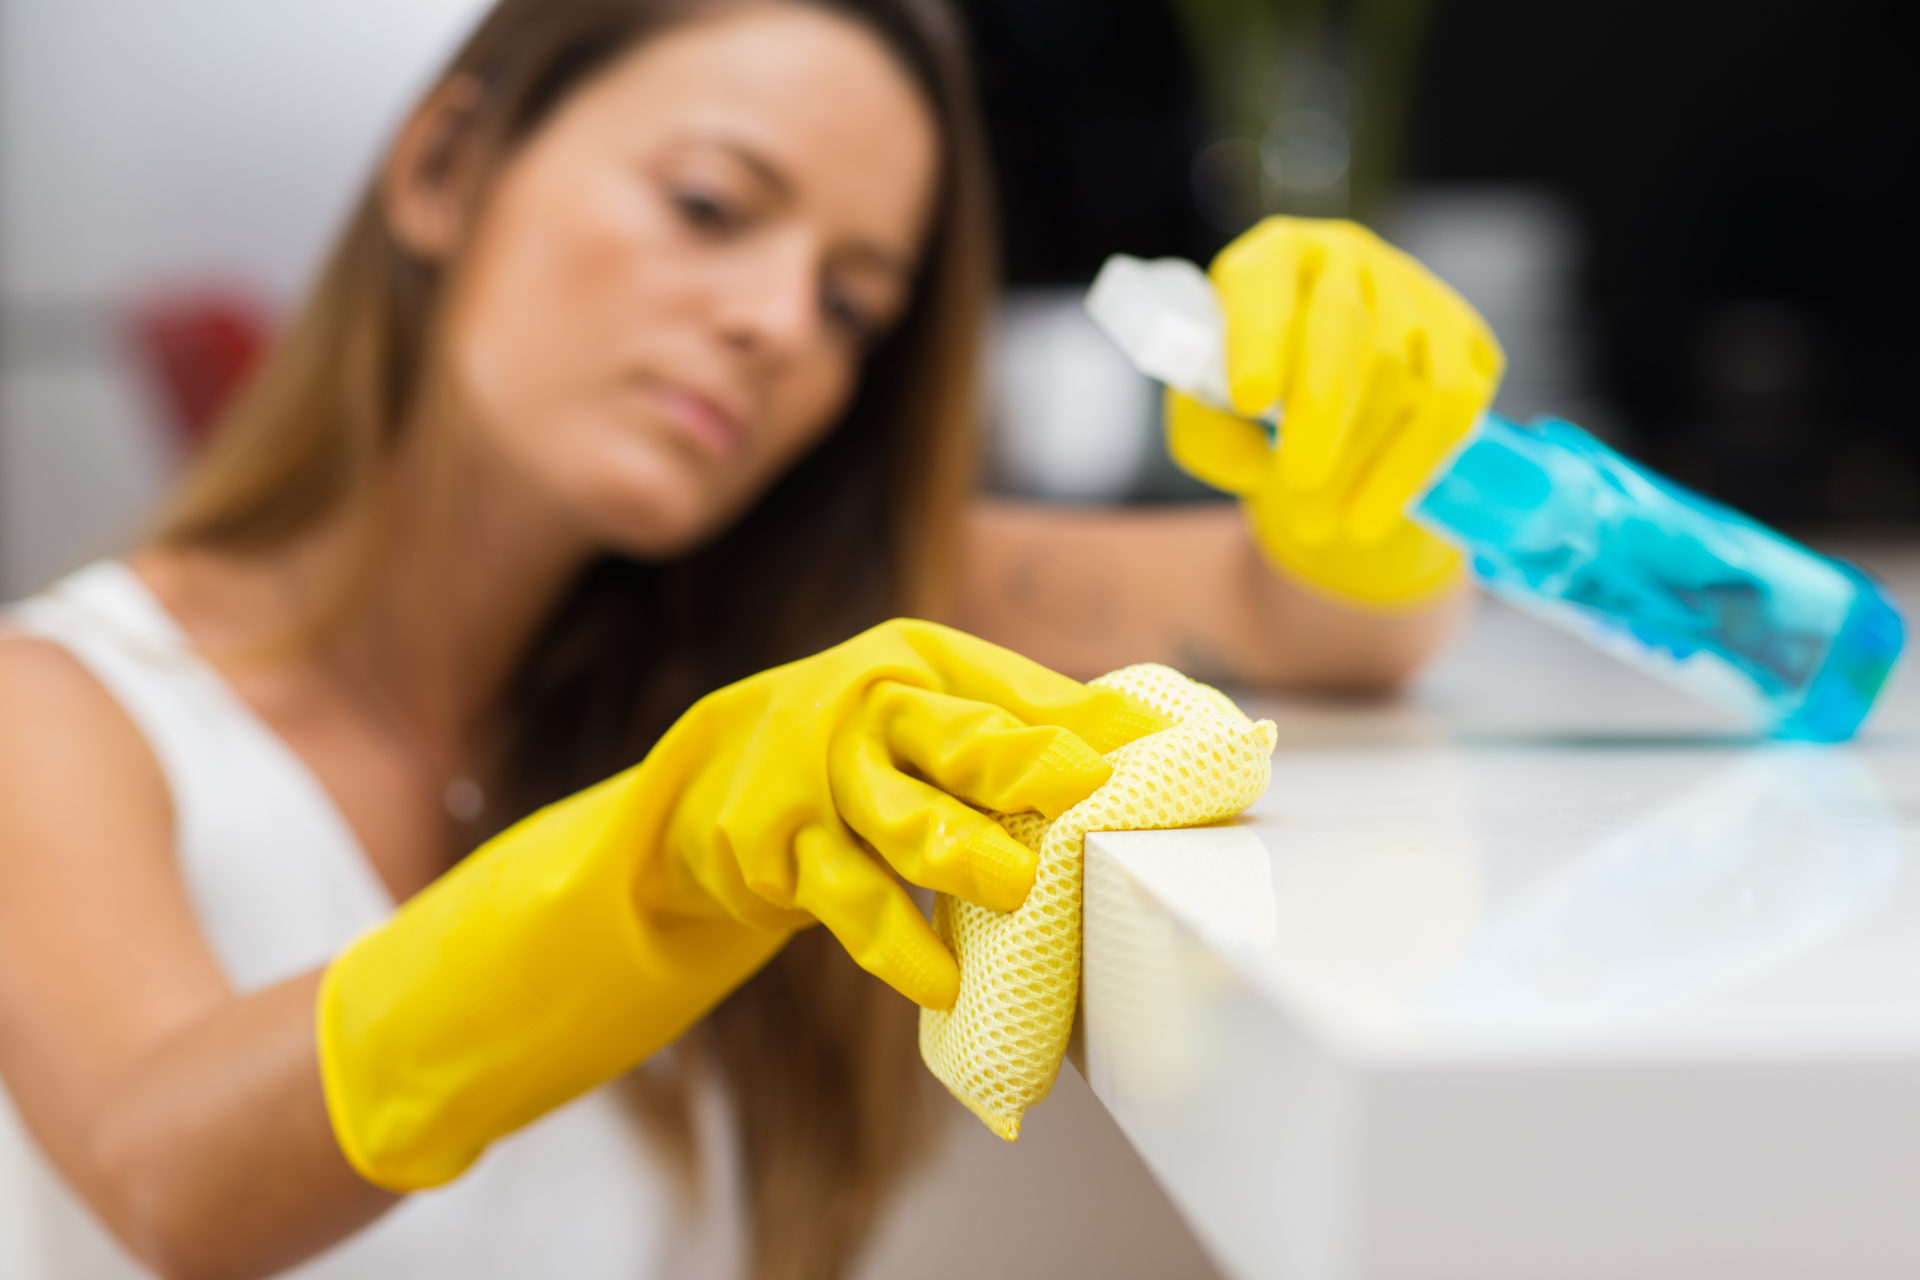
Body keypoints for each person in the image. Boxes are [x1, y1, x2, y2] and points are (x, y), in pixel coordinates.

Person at [0, 1, 1500, 1277]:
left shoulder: (784, 624)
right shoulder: (58, 704)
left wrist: (1364, 474)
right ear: (449, 167)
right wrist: (657, 862)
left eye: (855, 303)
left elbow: (1305, 625)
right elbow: (164, 1176)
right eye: (712, 207)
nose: (782, 322)